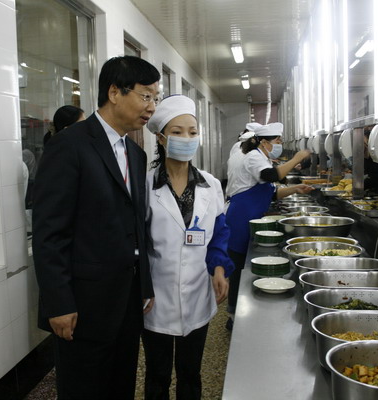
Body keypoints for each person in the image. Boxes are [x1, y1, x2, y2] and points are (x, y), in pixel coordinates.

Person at [32, 55, 160, 400]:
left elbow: (136, 224)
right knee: (84, 389)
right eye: (145, 96)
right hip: (84, 304)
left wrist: (144, 284)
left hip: (127, 300)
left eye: (156, 98)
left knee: (121, 384)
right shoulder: (69, 146)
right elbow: (49, 234)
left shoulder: (135, 154)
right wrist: (58, 303)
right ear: (115, 92)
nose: (151, 107)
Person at [143, 94, 234, 400]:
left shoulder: (211, 184)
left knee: (190, 372)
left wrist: (219, 267)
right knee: (157, 374)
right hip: (156, 296)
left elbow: (219, 233)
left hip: (198, 291)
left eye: (192, 132)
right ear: (161, 138)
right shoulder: (145, 186)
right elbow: (135, 241)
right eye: (177, 132)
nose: (187, 138)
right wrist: (140, 286)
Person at [224, 123, 312, 330]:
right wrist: (296, 159)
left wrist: (295, 189)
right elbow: (270, 176)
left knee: (244, 265)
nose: (279, 144)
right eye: (277, 141)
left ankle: (240, 312)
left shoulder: (259, 156)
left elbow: (271, 192)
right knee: (239, 267)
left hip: (249, 214)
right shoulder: (253, 157)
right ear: (264, 142)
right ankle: (234, 315)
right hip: (241, 217)